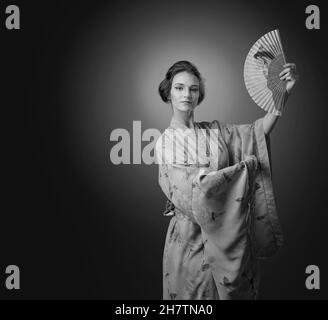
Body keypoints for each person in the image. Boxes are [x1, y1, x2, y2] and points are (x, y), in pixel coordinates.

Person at [155, 60, 298, 300]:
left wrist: (284, 90)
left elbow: (257, 132)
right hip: (190, 242)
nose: (187, 94)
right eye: (179, 88)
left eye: (193, 88)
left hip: (227, 238)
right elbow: (192, 193)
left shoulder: (215, 132)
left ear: (200, 93)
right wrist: (244, 169)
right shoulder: (166, 143)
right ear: (168, 92)